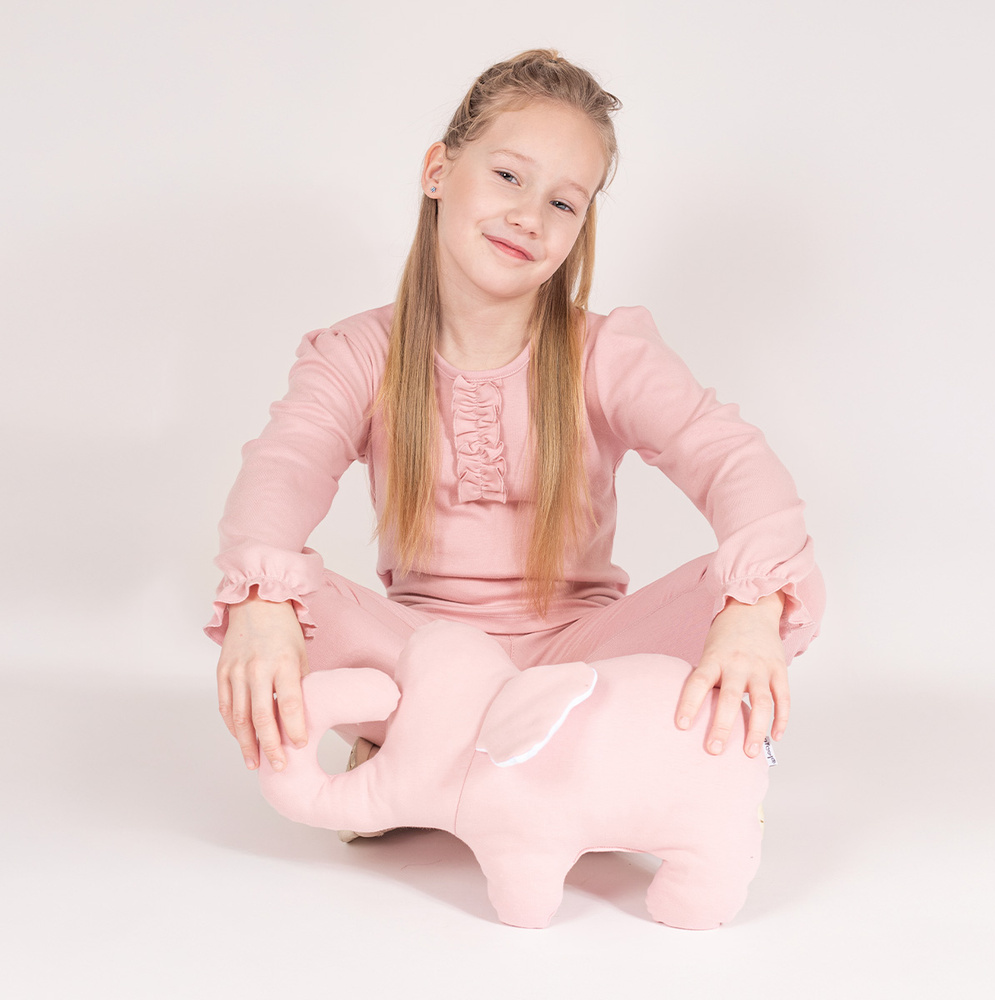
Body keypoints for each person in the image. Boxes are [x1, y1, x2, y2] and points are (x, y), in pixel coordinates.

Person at [208, 50, 824, 793]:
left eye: (564, 204)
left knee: (761, 589)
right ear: (438, 171)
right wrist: (263, 598)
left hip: (583, 660)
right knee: (277, 593)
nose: (529, 217)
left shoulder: (608, 353)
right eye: (508, 176)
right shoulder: (357, 354)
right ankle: (535, 764)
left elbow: (729, 458)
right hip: (417, 658)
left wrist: (751, 608)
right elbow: (285, 467)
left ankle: (434, 760)